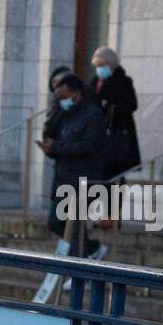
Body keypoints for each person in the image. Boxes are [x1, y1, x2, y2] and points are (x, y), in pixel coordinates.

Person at [38, 74, 107, 260]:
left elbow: (88, 146)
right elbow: (56, 139)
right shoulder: (65, 115)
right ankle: (91, 250)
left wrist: (57, 147)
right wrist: (50, 149)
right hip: (62, 178)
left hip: (81, 180)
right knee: (56, 222)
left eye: (63, 96)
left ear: (76, 94)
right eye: (58, 97)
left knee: (74, 223)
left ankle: (80, 263)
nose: (61, 101)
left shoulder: (93, 116)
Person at [88, 46, 140, 226]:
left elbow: (131, 105)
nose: (99, 69)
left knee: (116, 177)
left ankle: (112, 216)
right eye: (97, 65)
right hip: (100, 138)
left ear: (111, 64)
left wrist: (109, 105)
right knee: (101, 176)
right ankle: (103, 213)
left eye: (102, 65)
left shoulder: (123, 82)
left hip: (118, 139)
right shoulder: (95, 81)